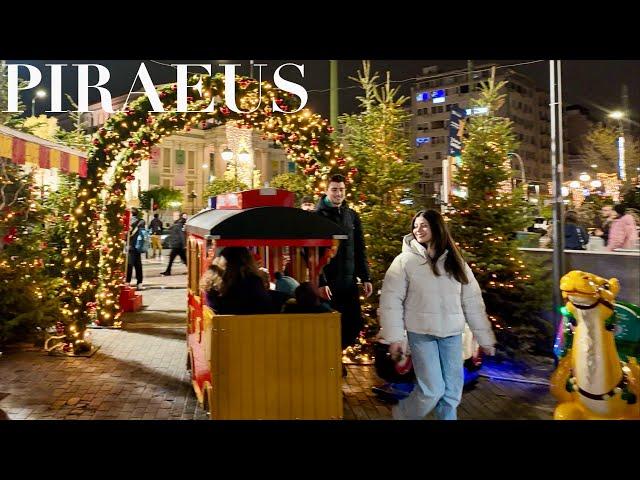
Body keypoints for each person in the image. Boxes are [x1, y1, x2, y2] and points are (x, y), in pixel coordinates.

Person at [379, 209, 496, 420]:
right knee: (431, 390)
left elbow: (472, 302)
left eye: (424, 225)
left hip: (451, 334)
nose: (418, 229)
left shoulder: (456, 262)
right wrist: (394, 337)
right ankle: (403, 415)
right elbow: (390, 300)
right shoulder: (404, 261)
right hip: (421, 334)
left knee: (451, 393)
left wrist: (485, 338)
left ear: (437, 227)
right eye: (415, 226)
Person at [315, 174, 373, 365]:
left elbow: (360, 248)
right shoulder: (317, 216)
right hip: (329, 284)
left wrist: (366, 277)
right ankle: (331, 362)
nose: (338, 193)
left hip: (348, 282)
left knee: (354, 324)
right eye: (334, 189)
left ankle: (334, 355)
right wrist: (321, 282)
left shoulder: (351, 215)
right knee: (330, 325)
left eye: (341, 190)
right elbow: (313, 255)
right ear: (326, 191)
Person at [205, 247, 274, 314]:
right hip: (251, 324)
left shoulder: (212, 284)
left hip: (220, 325)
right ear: (248, 262)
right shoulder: (252, 281)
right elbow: (265, 305)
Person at [126, 208, 145, 289]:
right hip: (138, 246)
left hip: (130, 246)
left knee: (129, 265)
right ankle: (139, 283)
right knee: (138, 265)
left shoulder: (128, 223)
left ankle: (127, 282)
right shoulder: (141, 221)